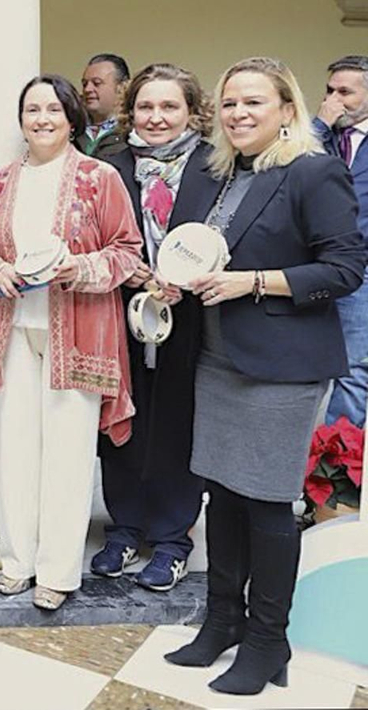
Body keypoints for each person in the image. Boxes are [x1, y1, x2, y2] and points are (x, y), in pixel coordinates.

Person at [163, 57, 365, 696]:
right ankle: (223, 620)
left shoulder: (313, 172)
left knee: (268, 500)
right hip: (214, 357)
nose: (239, 114)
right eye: (229, 104)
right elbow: (185, 249)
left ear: (286, 108)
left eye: (254, 102)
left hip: (283, 365)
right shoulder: (209, 172)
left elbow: (343, 270)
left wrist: (253, 283)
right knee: (220, 493)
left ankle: (267, 640)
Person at [0, 74, 142, 612]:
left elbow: (127, 251)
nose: (41, 119)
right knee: (15, 451)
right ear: (21, 120)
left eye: (52, 110)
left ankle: (58, 572)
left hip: (80, 336)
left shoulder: (99, 178)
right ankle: (17, 562)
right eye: (31, 110)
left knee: (67, 455)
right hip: (11, 331)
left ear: (71, 119)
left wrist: (78, 267)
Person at [93, 64, 212, 592]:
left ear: (192, 111)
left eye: (169, 107)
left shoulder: (218, 166)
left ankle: (172, 538)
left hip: (194, 316)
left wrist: (186, 277)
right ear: (130, 111)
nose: (157, 117)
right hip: (121, 309)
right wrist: (128, 268)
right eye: (146, 107)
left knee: (178, 419)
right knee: (123, 415)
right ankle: (123, 527)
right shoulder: (108, 166)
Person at [314, 54, 368, 428]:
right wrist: (319, 125)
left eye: (345, 92)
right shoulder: (318, 136)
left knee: (352, 372)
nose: (334, 100)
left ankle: (333, 476)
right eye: (330, 90)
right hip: (313, 268)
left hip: (362, 274)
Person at [80, 53, 130, 157]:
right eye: (85, 84)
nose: (87, 89)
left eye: (97, 83)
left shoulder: (133, 133)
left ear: (122, 87)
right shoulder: (71, 129)